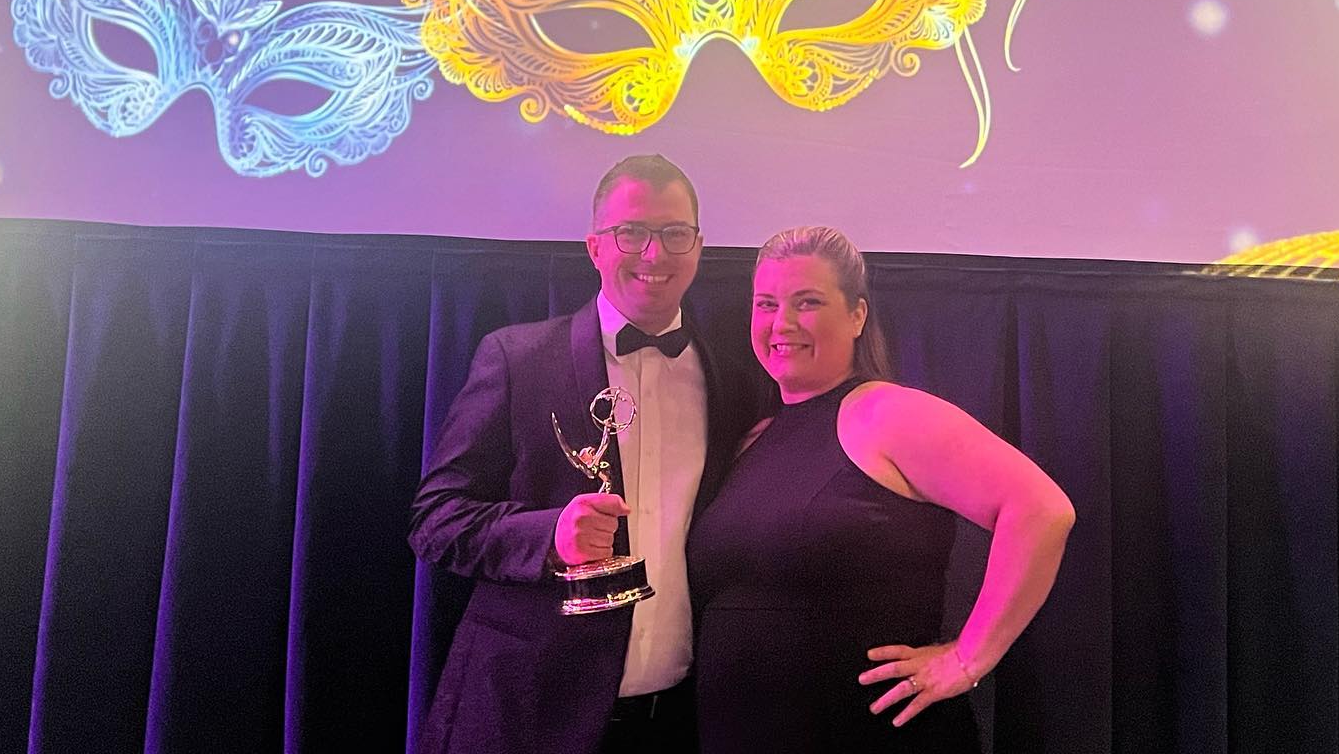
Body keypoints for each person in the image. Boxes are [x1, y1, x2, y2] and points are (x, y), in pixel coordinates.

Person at [408, 154, 753, 754]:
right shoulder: (516, 359)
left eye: (675, 233)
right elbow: (434, 520)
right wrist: (548, 537)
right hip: (528, 713)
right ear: (594, 247)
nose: (654, 254)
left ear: (699, 247)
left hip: (680, 718)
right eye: (631, 233)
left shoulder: (732, 379)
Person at [688, 226, 1075, 752]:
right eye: (767, 304)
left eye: (808, 302)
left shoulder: (883, 414)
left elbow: (1042, 510)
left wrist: (967, 659)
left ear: (857, 316)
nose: (782, 323)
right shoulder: (754, 438)